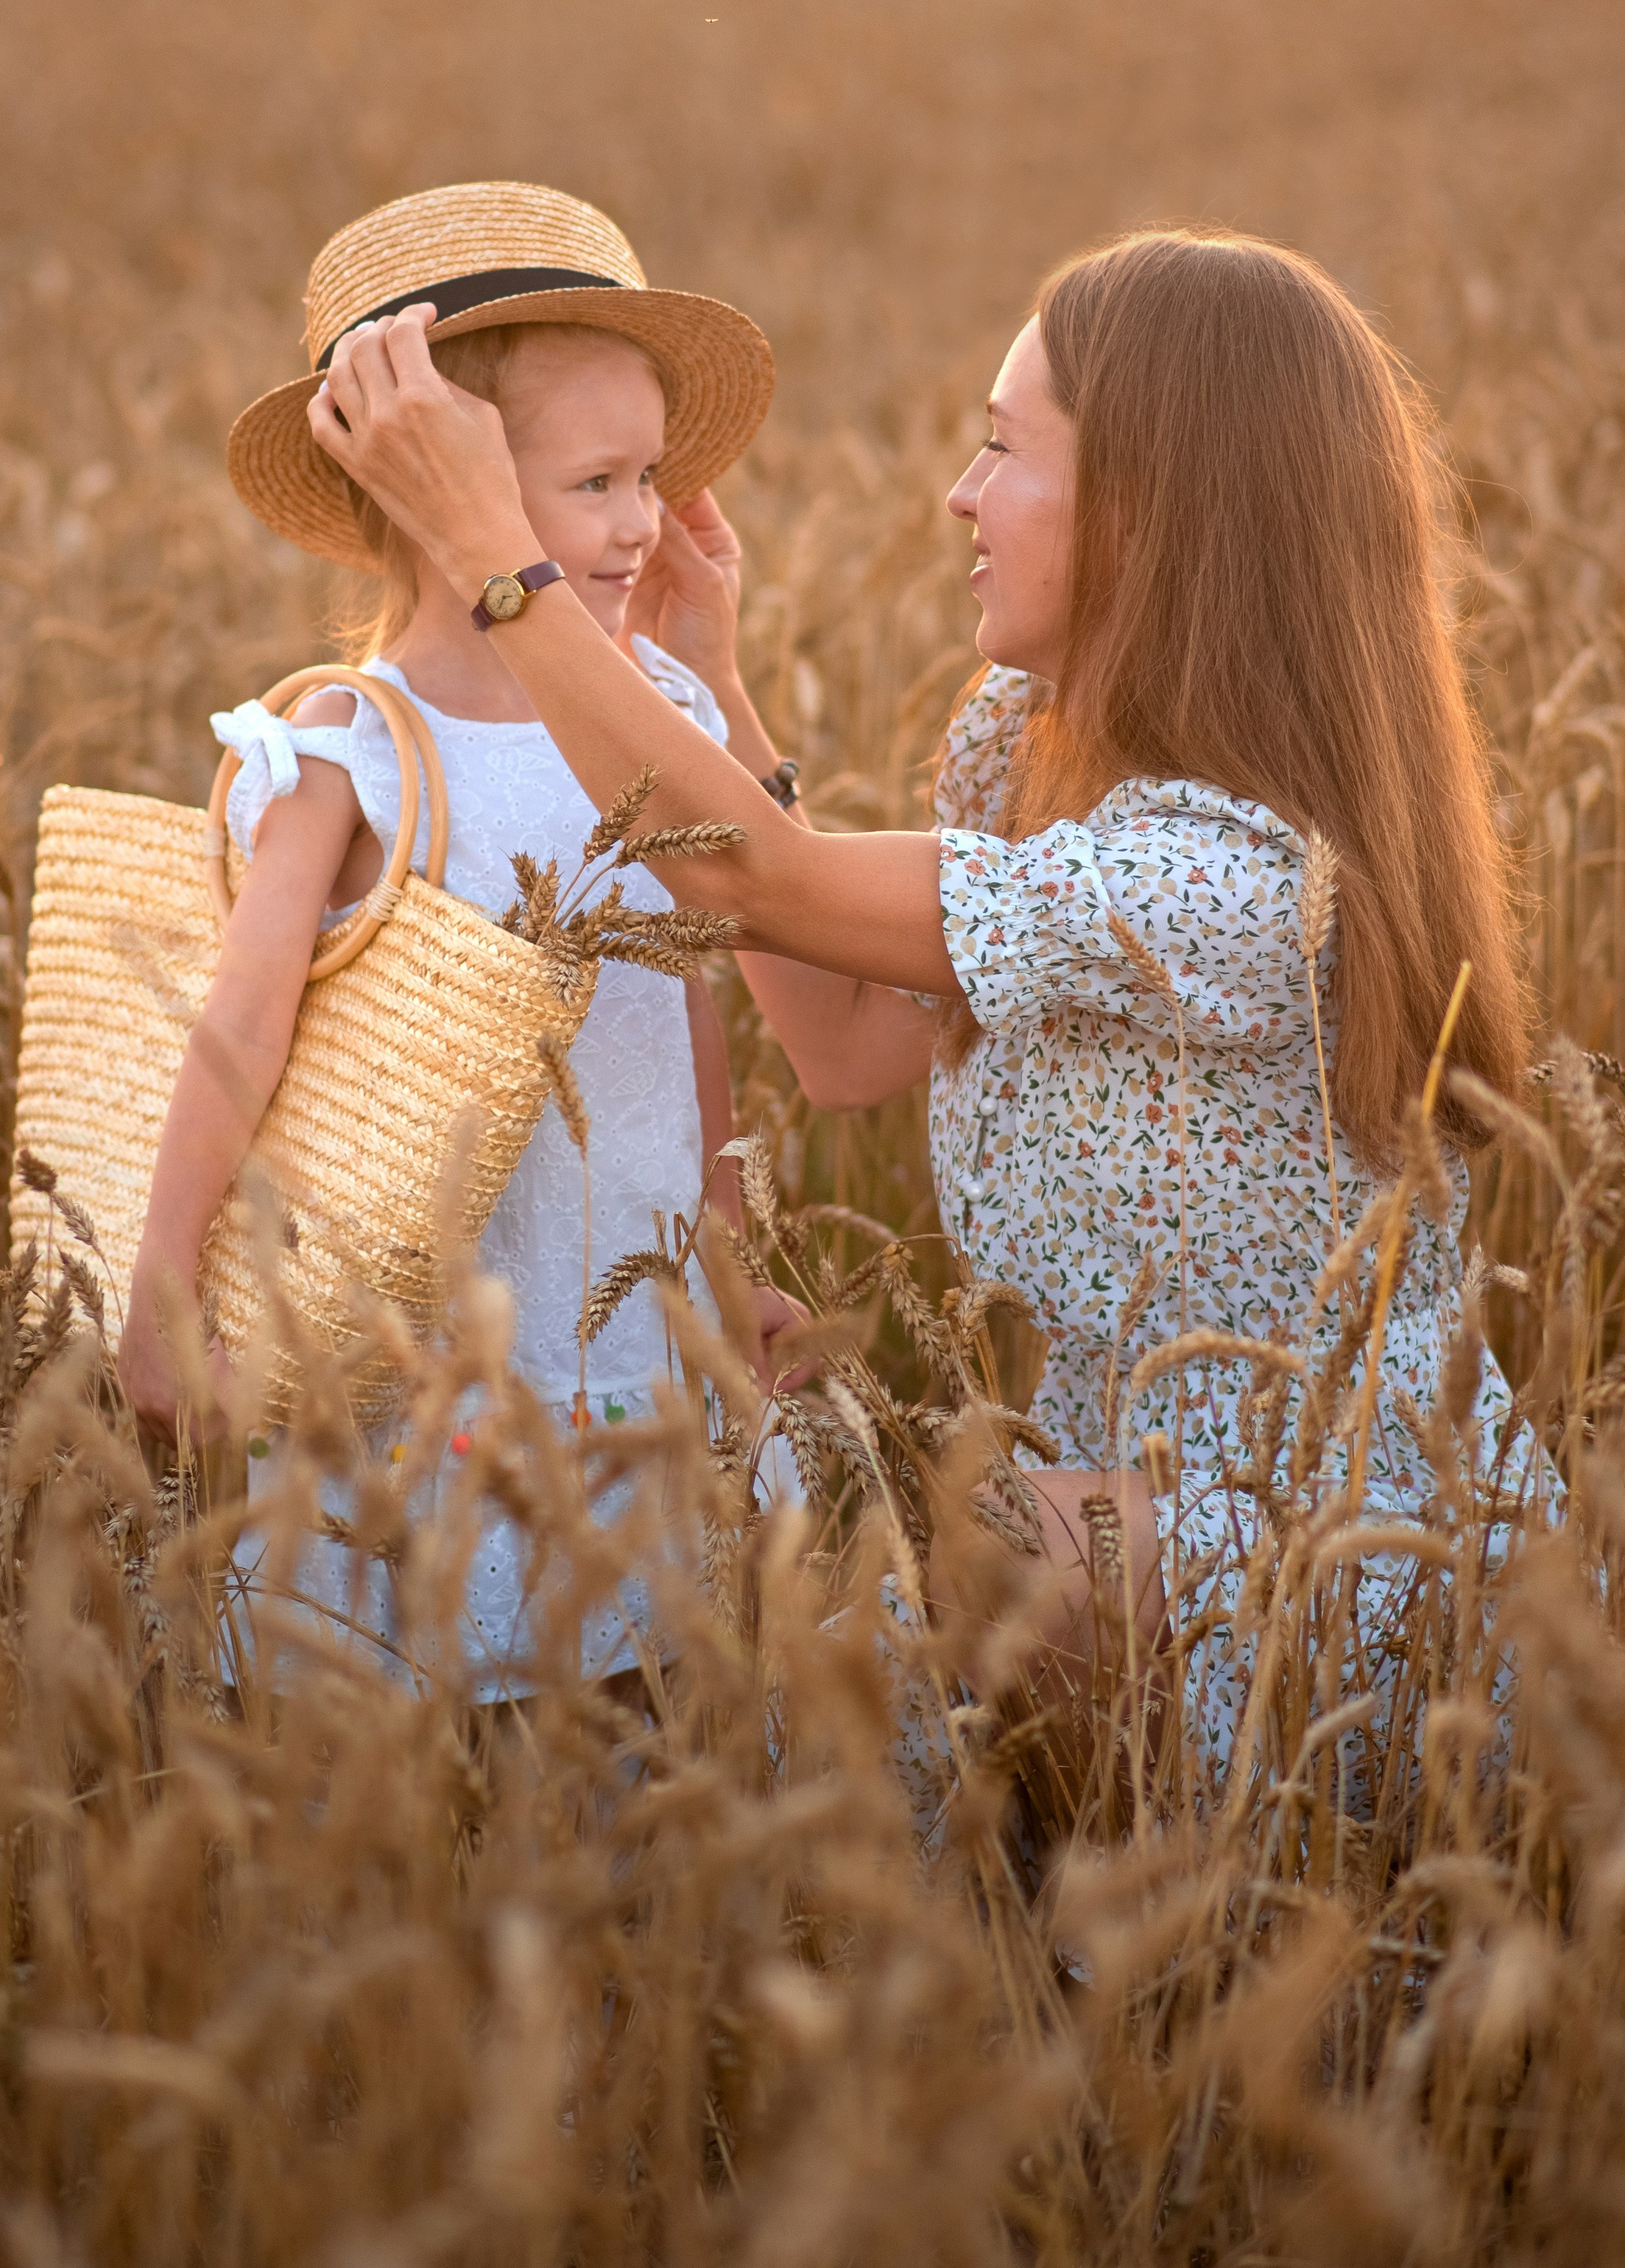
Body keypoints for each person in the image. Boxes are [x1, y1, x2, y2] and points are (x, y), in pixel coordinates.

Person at [306, 225, 1533, 1781]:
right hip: (1111, 1510)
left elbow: (761, 881)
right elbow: (845, 1047)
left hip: (1331, 1549)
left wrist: (504, 567)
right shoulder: (1024, 737)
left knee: (901, 1562)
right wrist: (703, 676)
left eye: (1001, 449)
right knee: (858, 1551)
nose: (956, 495)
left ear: (1147, 511)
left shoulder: (1222, 887)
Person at [116, 179, 794, 1694]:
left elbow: (692, 1018)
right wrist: (162, 1287)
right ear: (437, 492)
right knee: (423, 1734)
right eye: (597, 483)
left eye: (648, 479)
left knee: (640, 1730)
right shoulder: (349, 750)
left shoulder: (658, 720)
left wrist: (728, 1257)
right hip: (427, 1353)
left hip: (625, 1334)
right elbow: (234, 1032)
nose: (639, 525)